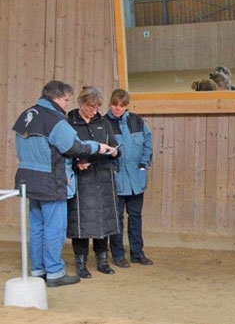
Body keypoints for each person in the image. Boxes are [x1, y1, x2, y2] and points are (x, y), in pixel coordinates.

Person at [12, 80, 112, 287]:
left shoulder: (26, 115)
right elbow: (73, 147)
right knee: (54, 228)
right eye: (66, 100)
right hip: (52, 180)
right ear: (56, 97)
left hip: (28, 178)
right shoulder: (54, 119)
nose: (67, 104)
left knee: (37, 227)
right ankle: (55, 273)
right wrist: (97, 146)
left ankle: (38, 269)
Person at [67, 86, 121, 278]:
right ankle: (81, 264)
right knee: (81, 222)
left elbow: (114, 144)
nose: (94, 111)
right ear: (80, 103)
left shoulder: (104, 123)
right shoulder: (69, 122)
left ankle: (102, 261)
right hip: (82, 179)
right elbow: (64, 150)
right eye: (90, 106)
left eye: (97, 107)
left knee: (103, 220)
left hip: (104, 177)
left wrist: (115, 151)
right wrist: (76, 164)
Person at [107, 88, 154, 268]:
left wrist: (143, 165)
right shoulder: (104, 123)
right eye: (115, 105)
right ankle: (118, 255)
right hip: (116, 181)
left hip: (136, 180)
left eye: (122, 105)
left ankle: (137, 253)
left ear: (127, 106)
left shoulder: (137, 121)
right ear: (111, 103)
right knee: (117, 218)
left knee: (135, 216)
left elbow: (147, 144)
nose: (118, 108)